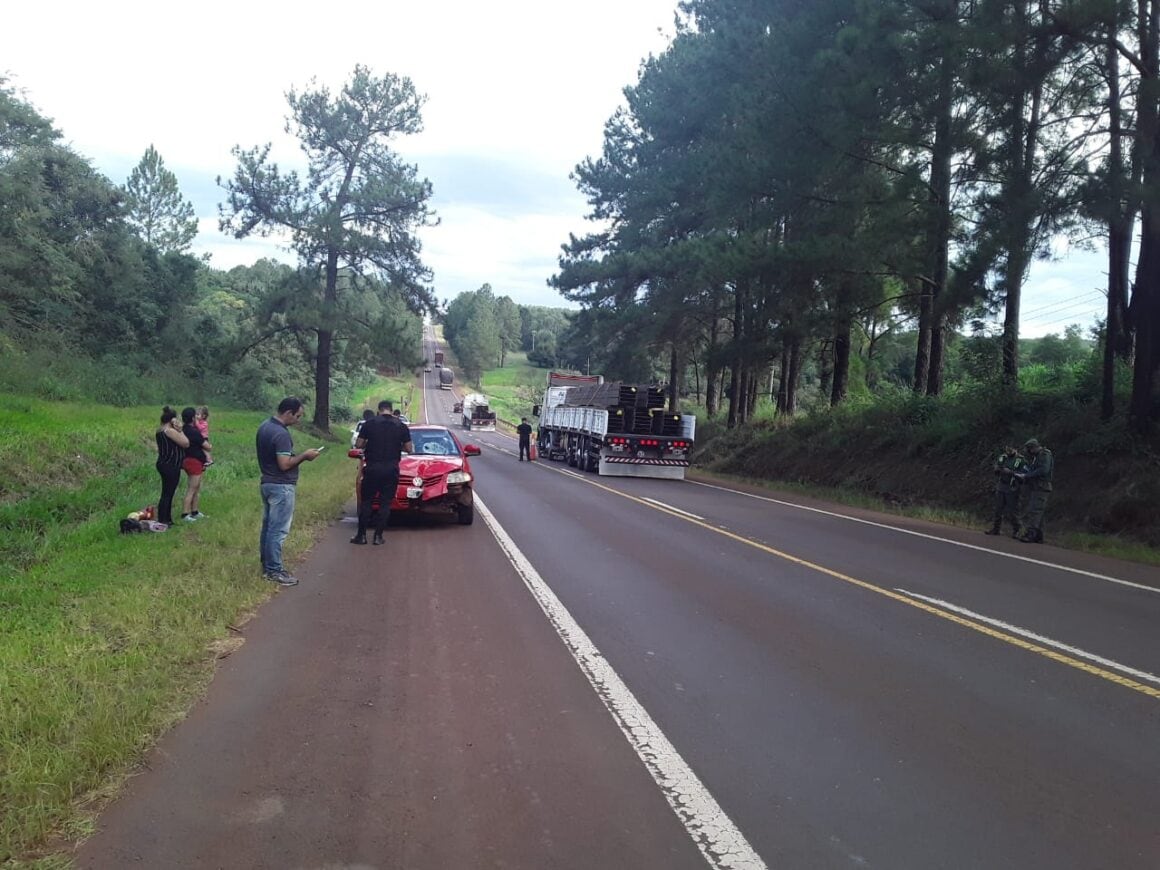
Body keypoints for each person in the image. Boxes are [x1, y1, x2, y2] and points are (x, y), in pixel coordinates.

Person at [256, 397, 322, 586]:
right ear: (288, 413)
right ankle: (274, 571)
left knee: (268, 527)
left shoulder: (264, 426)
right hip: (281, 486)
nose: (298, 420)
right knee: (278, 530)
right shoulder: (281, 434)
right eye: (297, 416)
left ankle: (267, 565)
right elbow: (284, 464)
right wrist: (305, 456)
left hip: (267, 483)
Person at [352, 399, 412, 546]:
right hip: (391, 469)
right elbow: (409, 448)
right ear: (391, 410)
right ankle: (378, 536)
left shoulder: (370, 423)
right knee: (385, 503)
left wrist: (369, 443)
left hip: (372, 467)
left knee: (367, 502)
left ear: (379, 410)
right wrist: (397, 447)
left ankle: (362, 536)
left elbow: (358, 444)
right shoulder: (401, 426)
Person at [155, 406, 190, 528]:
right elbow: (185, 443)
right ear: (172, 420)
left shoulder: (160, 430)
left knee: (166, 492)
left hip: (163, 463)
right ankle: (164, 520)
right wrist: (180, 429)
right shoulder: (170, 431)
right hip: (171, 464)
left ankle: (165, 518)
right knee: (168, 493)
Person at [1014, 438, 1053, 543]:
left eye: (1029, 449)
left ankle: (1031, 534)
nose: (1029, 452)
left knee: (1034, 511)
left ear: (1034, 448)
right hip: (1036, 487)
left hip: (1042, 487)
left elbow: (1043, 470)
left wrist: (1027, 475)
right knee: (1038, 511)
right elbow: (1033, 469)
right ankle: (1038, 536)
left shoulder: (1045, 454)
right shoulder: (1037, 457)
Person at [985, 444, 1025, 537]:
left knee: (1012, 510)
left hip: (1012, 486)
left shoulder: (1020, 460)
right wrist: (997, 469)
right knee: (998, 508)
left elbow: (1023, 475)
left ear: (1015, 449)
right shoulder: (1002, 457)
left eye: (1011, 449)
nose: (1009, 451)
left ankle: (1017, 530)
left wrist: (1011, 472)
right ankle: (996, 528)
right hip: (1002, 485)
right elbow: (997, 469)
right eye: (1008, 449)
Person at [180, 406, 211, 522]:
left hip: (187, 460)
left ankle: (195, 511)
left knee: (196, 488)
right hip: (194, 462)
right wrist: (210, 446)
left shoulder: (182, 430)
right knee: (192, 488)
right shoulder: (194, 432)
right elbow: (207, 446)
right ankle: (185, 514)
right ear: (193, 418)